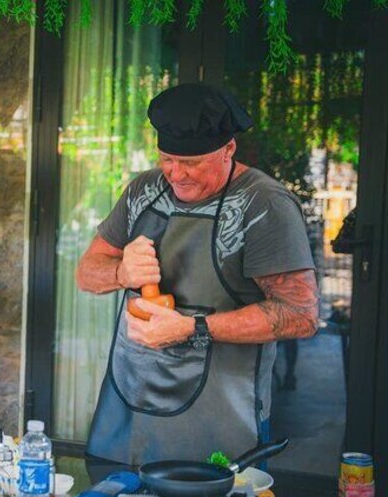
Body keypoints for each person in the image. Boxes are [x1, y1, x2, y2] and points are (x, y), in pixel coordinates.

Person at [76, 83, 319, 466]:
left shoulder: (263, 204)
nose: (177, 175)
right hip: (127, 411)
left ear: (229, 150)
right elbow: (86, 274)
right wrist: (122, 272)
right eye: (168, 159)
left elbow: (301, 315)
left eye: (191, 163)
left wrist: (191, 329)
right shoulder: (145, 190)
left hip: (220, 422)